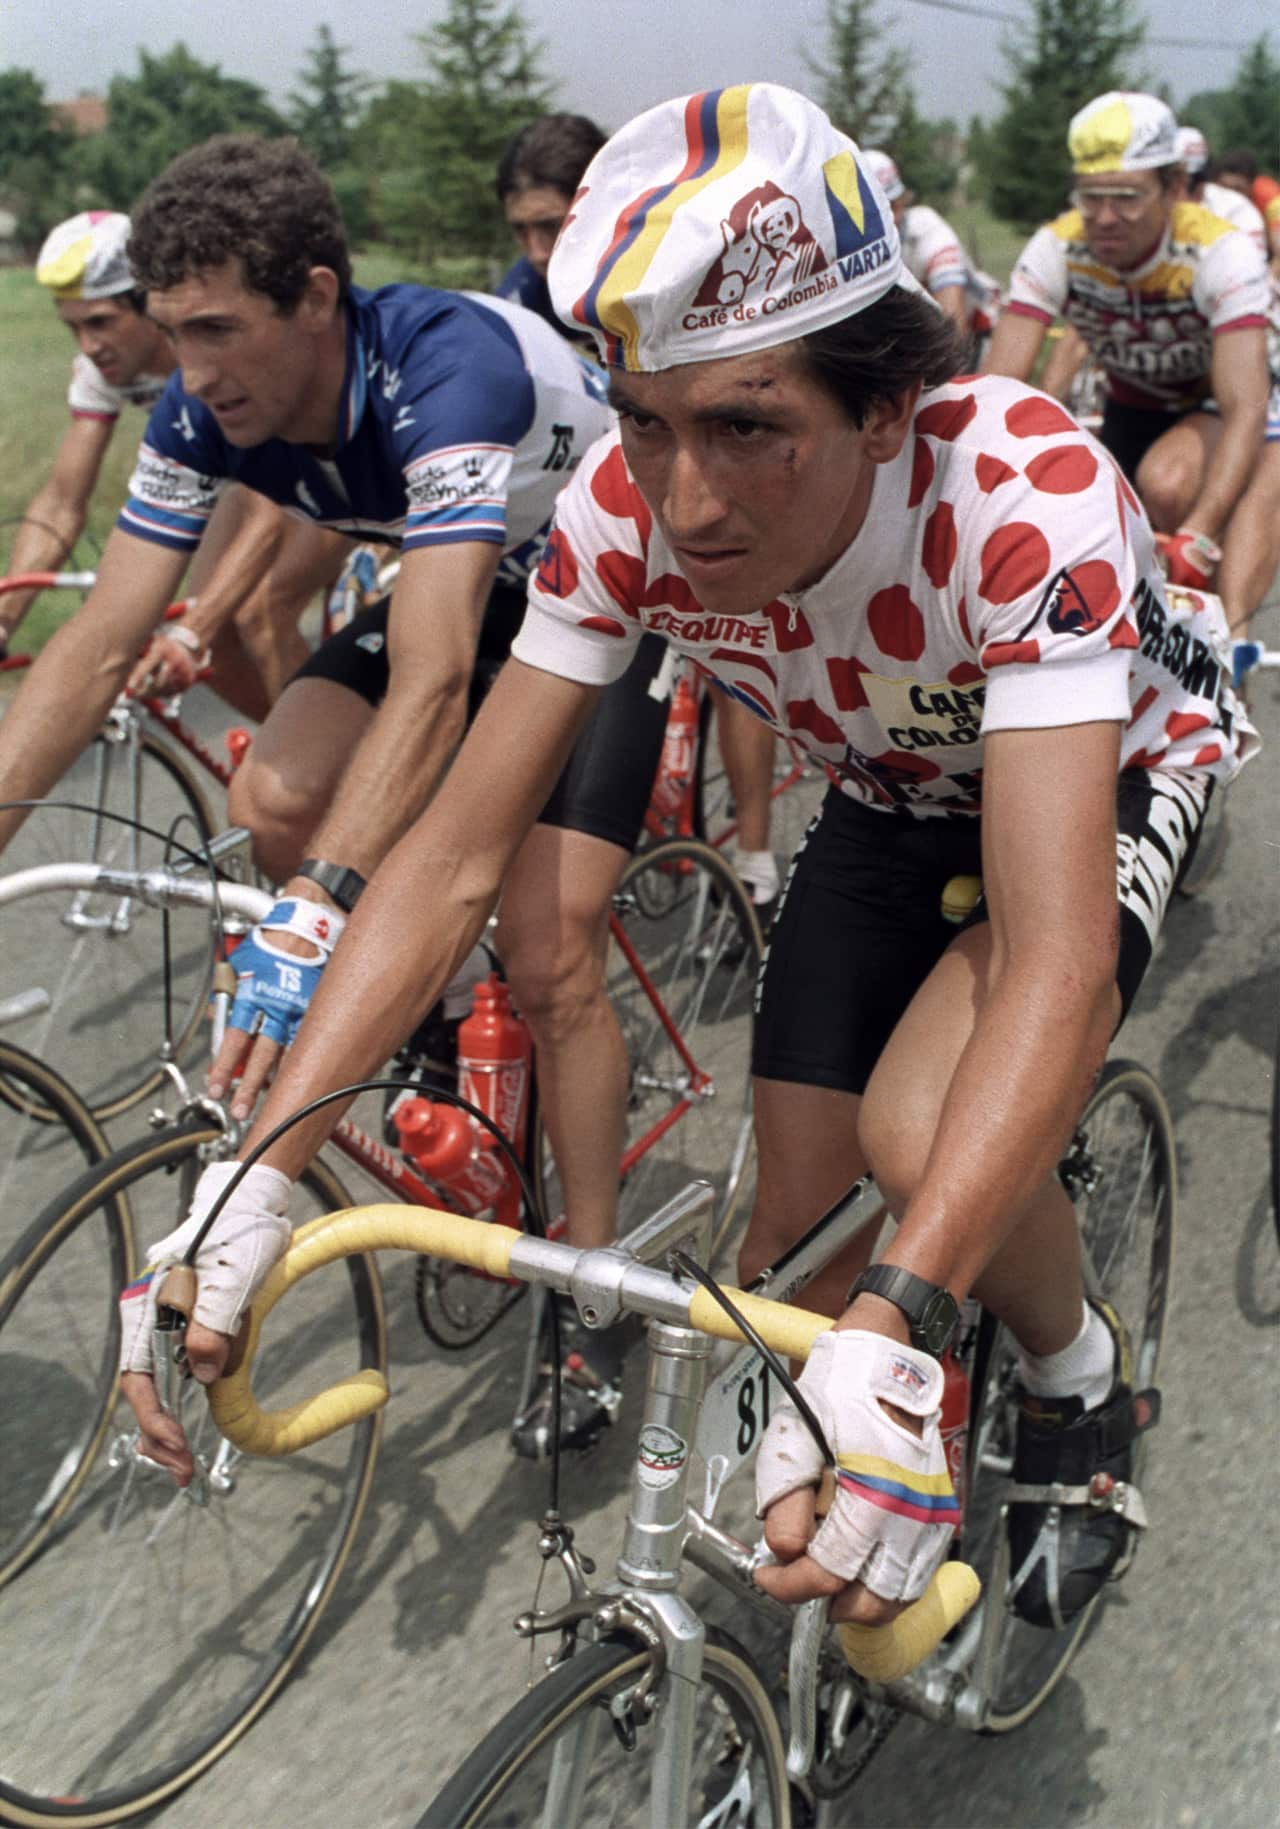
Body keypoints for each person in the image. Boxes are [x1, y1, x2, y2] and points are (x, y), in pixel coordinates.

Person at [118, 85, 1254, 1639]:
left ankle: (1078, 1379)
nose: (687, 500)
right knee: (797, 1228)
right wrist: (257, 1176)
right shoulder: (621, 508)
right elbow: (451, 858)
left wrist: (899, 1327)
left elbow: (1055, 959)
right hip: (889, 786)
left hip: (1100, 771)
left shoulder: (1015, 489)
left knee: (918, 1143)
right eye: (645, 420)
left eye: (747, 428)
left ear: (883, 407)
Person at [0, 134, 673, 1453]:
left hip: (605, 591)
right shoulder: (203, 408)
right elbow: (97, 643)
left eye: (217, 330)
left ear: (316, 297)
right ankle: (437, 1005)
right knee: (278, 792)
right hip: (470, 582)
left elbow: (434, 678)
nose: (191, 372)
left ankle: (591, 1286)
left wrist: (319, 908)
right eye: (171, 333)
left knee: (549, 949)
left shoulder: (448, 366)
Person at [496, 111, 784, 915]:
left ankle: (755, 857)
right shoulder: (525, 291)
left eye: (552, 226)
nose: (537, 252)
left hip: (684, 496)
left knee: (737, 652)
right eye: (520, 231)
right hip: (589, 515)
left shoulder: (670, 264)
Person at [1, 210, 343, 716]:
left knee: (260, 611)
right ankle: (285, 751)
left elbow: (268, 515)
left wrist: (189, 634)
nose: (89, 347)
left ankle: (339, 761)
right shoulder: (103, 371)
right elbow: (61, 503)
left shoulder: (216, 355)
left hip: (330, 474)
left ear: (150, 306)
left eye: (101, 322)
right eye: (73, 328)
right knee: (214, 643)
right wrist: (5, 619)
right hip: (248, 485)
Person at [985, 91, 1280, 636]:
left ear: (1173, 188)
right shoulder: (1058, 247)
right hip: (1136, 399)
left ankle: (1222, 639)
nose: (1105, 218)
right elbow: (997, 392)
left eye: (1126, 197)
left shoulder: (1220, 250)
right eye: (1090, 197)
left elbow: (1245, 406)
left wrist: (1201, 532)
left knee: (1171, 490)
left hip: (1235, 401)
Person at [863, 149, 1002, 343]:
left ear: (903, 200)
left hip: (980, 327)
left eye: (892, 205)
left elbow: (954, 328)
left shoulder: (929, 230)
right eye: (873, 213)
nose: (888, 219)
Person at [1210, 148, 1280, 275]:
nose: (1230, 195)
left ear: (1252, 185)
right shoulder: (1209, 195)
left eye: (1237, 189)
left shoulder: (1271, 199)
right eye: (1225, 187)